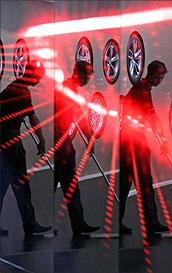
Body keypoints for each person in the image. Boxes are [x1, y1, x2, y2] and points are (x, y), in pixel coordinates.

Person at [0, 60, 52, 235]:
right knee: (13, 184)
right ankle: (29, 225)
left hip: (9, 140)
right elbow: (33, 119)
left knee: (16, 184)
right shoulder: (22, 91)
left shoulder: (13, 87)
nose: (40, 79)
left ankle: (30, 224)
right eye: (39, 75)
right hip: (10, 141)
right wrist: (42, 140)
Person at [120, 60, 169, 235]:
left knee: (129, 182)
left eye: (162, 76)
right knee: (143, 181)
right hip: (133, 141)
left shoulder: (142, 87)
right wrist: (163, 138)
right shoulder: (142, 90)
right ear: (151, 74)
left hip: (131, 139)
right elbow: (152, 115)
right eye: (158, 76)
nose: (160, 80)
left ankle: (146, 221)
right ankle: (151, 222)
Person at [54, 60, 99, 235]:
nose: (87, 79)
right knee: (63, 183)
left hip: (66, 145)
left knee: (70, 185)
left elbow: (79, 115)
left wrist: (90, 139)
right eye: (85, 76)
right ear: (77, 73)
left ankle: (78, 224)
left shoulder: (71, 90)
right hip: (61, 145)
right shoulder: (65, 89)